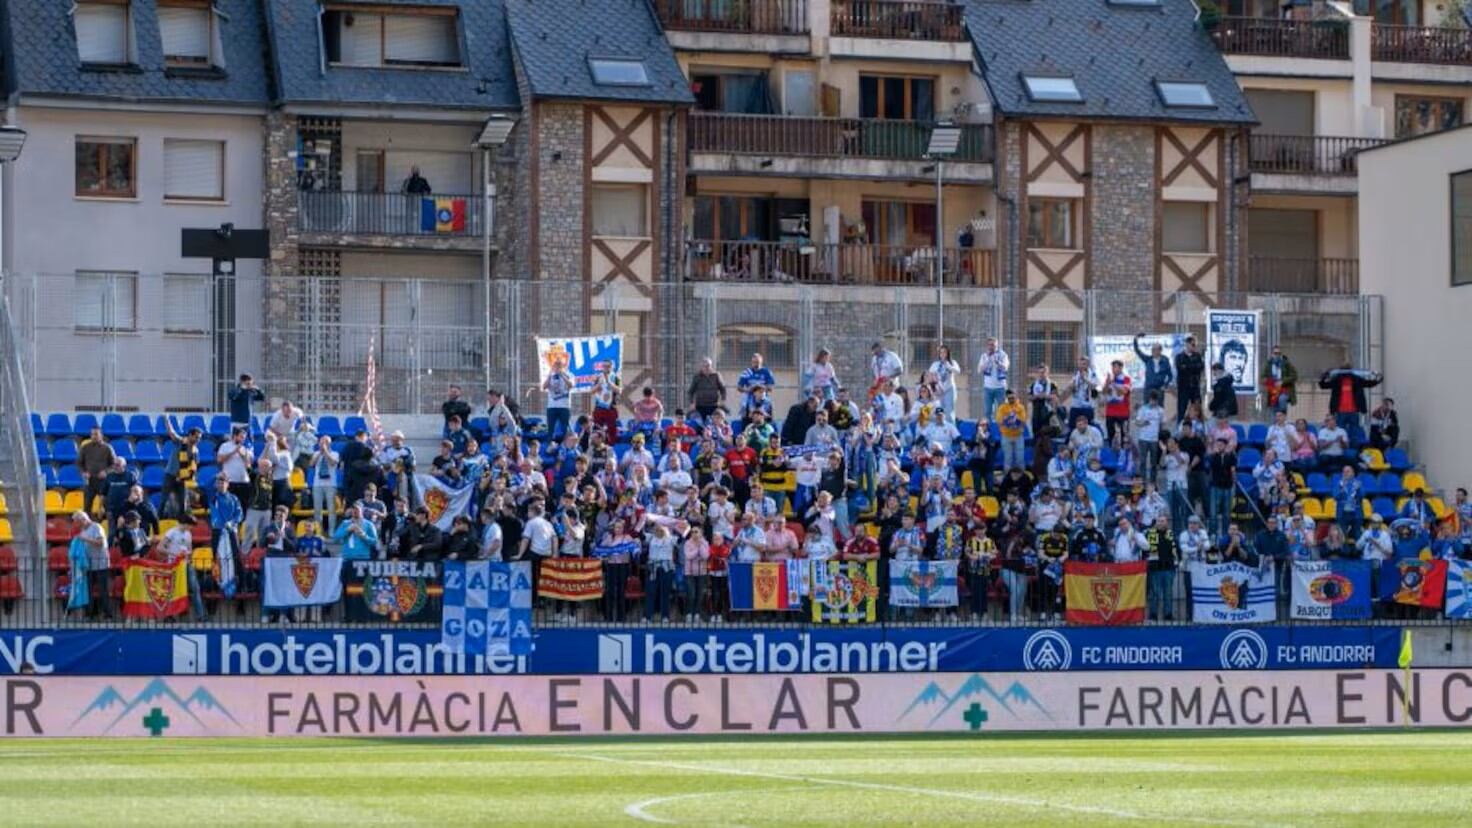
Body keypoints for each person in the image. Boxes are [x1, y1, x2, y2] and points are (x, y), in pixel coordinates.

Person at [1317, 364, 1382, 431]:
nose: (1346, 372)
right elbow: (1323, 385)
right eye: (1344, 370)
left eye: (1347, 370)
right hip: (1340, 411)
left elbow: (1369, 384)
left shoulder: (1356, 379)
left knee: (1354, 431)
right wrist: (1325, 375)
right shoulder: (1336, 380)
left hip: (1353, 411)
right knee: (1340, 432)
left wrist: (1378, 378)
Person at [158, 418, 201, 520]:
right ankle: (159, 520)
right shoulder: (180, 442)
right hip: (171, 475)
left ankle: (182, 520)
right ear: (190, 435)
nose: (197, 440)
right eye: (196, 437)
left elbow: (195, 466)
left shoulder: (196, 451)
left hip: (183, 478)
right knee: (164, 499)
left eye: (199, 438)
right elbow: (172, 433)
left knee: (183, 501)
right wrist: (167, 421)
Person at [1144, 514, 1178, 622]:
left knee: (1168, 593)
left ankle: (1168, 614)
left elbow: (1176, 549)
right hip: (1155, 569)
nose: (1160, 523)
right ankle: (1153, 614)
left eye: (1163, 521)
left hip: (1169, 568)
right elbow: (1144, 549)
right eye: (1159, 521)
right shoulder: (1149, 534)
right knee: (1154, 593)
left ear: (1167, 522)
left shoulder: (1171, 534)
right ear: (1156, 522)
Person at [77, 425, 116, 518]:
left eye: (96, 434)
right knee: (87, 506)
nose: (94, 436)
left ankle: (106, 526)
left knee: (106, 504)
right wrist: (84, 472)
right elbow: (79, 463)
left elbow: (114, 464)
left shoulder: (108, 448)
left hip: (103, 482)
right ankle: (87, 528)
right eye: (92, 434)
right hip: (89, 481)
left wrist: (106, 472)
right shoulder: (85, 447)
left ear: (101, 435)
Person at [1173, 335, 1205, 424]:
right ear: (1187, 344)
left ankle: (1199, 428)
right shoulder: (1179, 357)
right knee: (1181, 409)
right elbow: (1180, 368)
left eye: (1195, 345)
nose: (1194, 347)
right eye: (1192, 345)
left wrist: (1187, 367)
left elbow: (1200, 367)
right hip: (1183, 387)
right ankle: (1179, 428)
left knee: (1197, 408)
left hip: (1195, 387)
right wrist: (1192, 367)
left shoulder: (1197, 356)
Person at [1132, 335, 1175, 401]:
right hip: (1149, 388)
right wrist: (1135, 339)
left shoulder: (1165, 360)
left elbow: (1170, 376)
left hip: (1159, 388)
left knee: (1159, 409)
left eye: (1155, 349)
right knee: (1147, 408)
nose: (1153, 351)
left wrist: (1165, 385)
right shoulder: (1148, 359)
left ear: (1160, 350)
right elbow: (1137, 351)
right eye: (1152, 349)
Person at [1135, 391, 1164, 486]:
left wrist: (1160, 437)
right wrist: (1144, 423)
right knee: (1143, 461)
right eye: (1152, 400)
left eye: (1155, 400)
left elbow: (1162, 424)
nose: (1153, 402)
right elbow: (1137, 422)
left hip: (1154, 440)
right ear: (1149, 399)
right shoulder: (1143, 409)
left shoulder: (1160, 410)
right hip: (1143, 438)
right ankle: (1143, 481)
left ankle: (1152, 482)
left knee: (1153, 462)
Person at [995, 390, 1028, 471]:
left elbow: (1023, 421)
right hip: (1006, 436)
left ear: (1016, 397)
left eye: (1013, 398)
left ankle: (1021, 479)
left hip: (1018, 436)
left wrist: (1014, 419)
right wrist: (1009, 418)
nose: (1011, 400)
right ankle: (1008, 478)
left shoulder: (1020, 407)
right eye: (1009, 398)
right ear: (1006, 398)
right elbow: (999, 421)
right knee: (1008, 459)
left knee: (1020, 458)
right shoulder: (1002, 408)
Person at [976, 337, 1009, 418]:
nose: (991, 347)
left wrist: (997, 362)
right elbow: (979, 370)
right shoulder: (984, 356)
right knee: (988, 411)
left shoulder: (1003, 355)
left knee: (1002, 411)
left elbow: (1005, 368)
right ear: (987, 346)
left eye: (993, 345)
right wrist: (987, 362)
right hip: (988, 388)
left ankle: (1002, 429)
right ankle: (989, 428)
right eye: (990, 345)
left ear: (997, 345)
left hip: (1000, 387)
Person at [1102, 359, 1132, 449]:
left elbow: (1124, 391)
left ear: (1121, 368)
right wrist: (1107, 384)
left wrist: (1114, 384)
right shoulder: (1110, 379)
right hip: (1110, 412)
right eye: (1112, 367)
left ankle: (1124, 456)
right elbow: (1104, 392)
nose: (1113, 369)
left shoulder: (1126, 379)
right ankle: (1112, 454)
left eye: (1115, 367)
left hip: (1123, 412)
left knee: (1124, 436)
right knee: (1111, 435)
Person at [1261, 345, 1298, 416]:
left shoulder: (1286, 363)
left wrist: (1282, 381)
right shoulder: (1268, 364)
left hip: (1285, 389)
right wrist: (1269, 382)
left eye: (1279, 353)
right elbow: (1262, 377)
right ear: (1272, 354)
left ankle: (1283, 416)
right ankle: (1275, 422)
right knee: (1273, 407)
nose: (1277, 355)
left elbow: (1294, 376)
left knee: (1282, 399)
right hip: (1273, 390)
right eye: (1275, 353)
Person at [687, 358, 726, 423]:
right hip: (700, 405)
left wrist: (723, 400)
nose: (706, 368)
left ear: (711, 366)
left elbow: (723, 389)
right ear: (701, 367)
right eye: (704, 366)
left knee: (718, 422)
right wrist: (692, 403)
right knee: (697, 424)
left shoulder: (716, 375)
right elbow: (690, 392)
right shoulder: (697, 377)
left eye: (708, 366)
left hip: (714, 405)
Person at [1333, 464, 1366, 540]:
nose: (1345, 473)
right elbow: (1335, 497)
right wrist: (1342, 488)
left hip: (1356, 513)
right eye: (1344, 472)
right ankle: (1344, 551)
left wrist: (1358, 489)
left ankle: (1358, 550)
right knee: (1342, 536)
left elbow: (1363, 495)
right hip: (1342, 513)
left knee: (1358, 534)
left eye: (1348, 471)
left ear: (1353, 473)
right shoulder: (1338, 484)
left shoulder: (1358, 483)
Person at [928, 344, 962, 415]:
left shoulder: (952, 362)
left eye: (944, 352)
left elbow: (958, 371)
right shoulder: (936, 364)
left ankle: (951, 425)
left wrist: (950, 367)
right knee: (940, 411)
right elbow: (930, 376)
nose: (942, 354)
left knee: (949, 411)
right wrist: (934, 389)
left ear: (948, 353)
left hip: (949, 389)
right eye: (941, 352)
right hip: (939, 390)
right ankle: (941, 425)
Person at [1066, 356, 1098, 427]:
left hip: (1087, 406)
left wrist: (1085, 379)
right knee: (1072, 426)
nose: (1081, 366)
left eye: (1083, 364)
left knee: (1088, 426)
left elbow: (1094, 386)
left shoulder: (1093, 374)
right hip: (1076, 405)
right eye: (1079, 364)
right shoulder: (1076, 374)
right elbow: (1071, 386)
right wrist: (1072, 386)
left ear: (1087, 365)